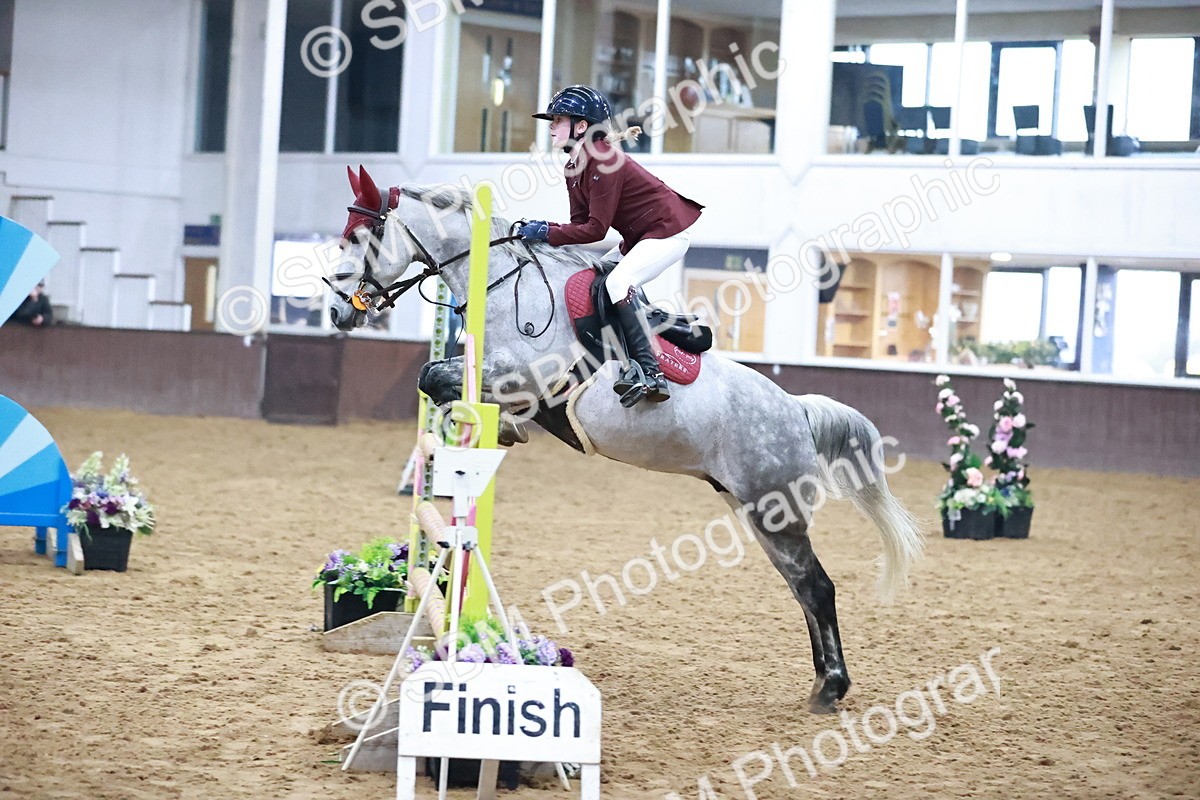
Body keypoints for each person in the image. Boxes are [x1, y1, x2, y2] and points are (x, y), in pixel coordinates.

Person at [519, 85, 704, 408]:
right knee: (593, 277)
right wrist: (545, 233)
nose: (550, 126)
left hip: (669, 232)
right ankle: (668, 323)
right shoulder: (573, 167)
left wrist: (546, 231)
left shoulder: (604, 159)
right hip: (640, 238)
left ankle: (650, 373)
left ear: (581, 126)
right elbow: (579, 225)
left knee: (619, 282)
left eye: (557, 119)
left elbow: (594, 229)